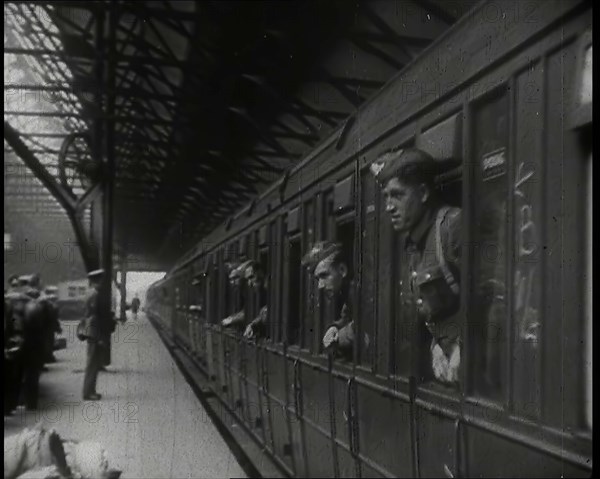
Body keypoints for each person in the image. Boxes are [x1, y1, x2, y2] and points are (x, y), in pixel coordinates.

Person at [371, 147, 462, 384]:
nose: (389, 206)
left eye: (397, 195)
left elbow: (493, 296)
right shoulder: (414, 245)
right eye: (386, 198)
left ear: (422, 193)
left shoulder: (452, 227)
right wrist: (437, 346)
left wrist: (464, 347)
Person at [302, 241, 354, 360]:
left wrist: (339, 337)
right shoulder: (348, 292)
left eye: (324, 276)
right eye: (318, 279)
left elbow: (367, 326)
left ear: (342, 270)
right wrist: (335, 327)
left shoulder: (359, 292)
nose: (320, 285)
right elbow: (347, 318)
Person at [82, 269, 105, 400]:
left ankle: (91, 391)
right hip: (94, 330)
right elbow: (95, 316)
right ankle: (88, 392)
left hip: (90, 329)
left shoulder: (88, 292)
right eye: (100, 280)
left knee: (93, 362)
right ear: (97, 280)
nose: (102, 282)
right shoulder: (95, 294)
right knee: (92, 363)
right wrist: (100, 336)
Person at [242, 260, 269, 340]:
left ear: (260, 273)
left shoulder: (271, 288)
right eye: (247, 280)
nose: (249, 283)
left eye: (251, 277)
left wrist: (254, 324)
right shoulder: (262, 291)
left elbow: (270, 311)